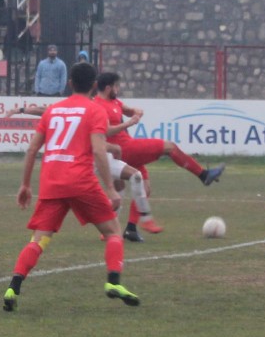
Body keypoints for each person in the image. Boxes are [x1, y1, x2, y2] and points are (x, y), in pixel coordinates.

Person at [2, 59, 139, 312]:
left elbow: (33, 148)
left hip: (52, 182)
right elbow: (99, 150)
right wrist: (110, 188)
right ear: (94, 85)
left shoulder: (54, 109)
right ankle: (113, 282)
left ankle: (13, 286)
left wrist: (25, 185)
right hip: (81, 182)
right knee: (112, 231)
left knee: (39, 240)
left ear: (70, 83)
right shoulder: (94, 110)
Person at [93, 70, 224, 241]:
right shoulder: (98, 106)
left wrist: (135, 112)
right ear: (109, 87)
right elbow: (105, 130)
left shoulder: (114, 101)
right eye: (117, 86)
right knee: (169, 147)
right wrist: (129, 123)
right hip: (123, 149)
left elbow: (128, 110)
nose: (119, 89)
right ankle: (203, 175)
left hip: (128, 149)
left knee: (145, 188)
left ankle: (131, 229)